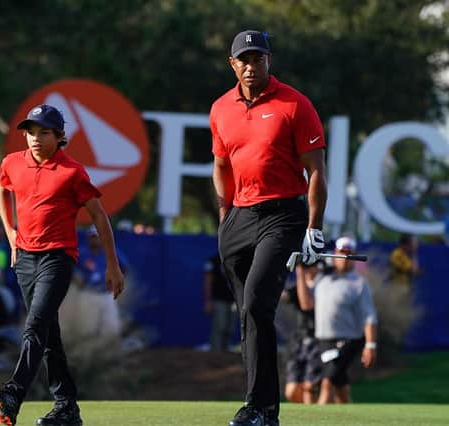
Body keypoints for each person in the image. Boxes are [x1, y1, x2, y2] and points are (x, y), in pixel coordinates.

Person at [0, 104, 124, 426]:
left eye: (43, 132)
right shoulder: (12, 163)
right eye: (30, 132)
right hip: (25, 260)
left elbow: (99, 216)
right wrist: (10, 231)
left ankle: (13, 395)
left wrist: (112, 266)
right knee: (48, 336)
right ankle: (66, 406)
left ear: (60, 137)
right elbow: (2, 190)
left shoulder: (72, 172)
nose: (35, 138)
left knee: (34, 328)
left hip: (57, 259)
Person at [210, 30, 327, 426]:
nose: (250, 64)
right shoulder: (221, 108)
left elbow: (316, 172)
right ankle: (262, 410)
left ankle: (259, 408)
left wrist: (314, 227)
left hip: (283, 214)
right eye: (243, 58)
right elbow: (222, 165)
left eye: (257, 57)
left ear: (268, 60)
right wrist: (225, 214)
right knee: (248, 314)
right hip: (239, 217)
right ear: (232, 64)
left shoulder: (295, 104)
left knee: (259, 302)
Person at [296, 236, 378, 404]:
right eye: (342, 253)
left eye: (349, 254)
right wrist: (301, 270)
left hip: (348, 340)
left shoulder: (358, 283)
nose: (345, 259)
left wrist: (370, 345)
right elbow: (306, 304)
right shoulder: (322, 278)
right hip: (323, 341)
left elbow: (369, 316)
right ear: (335, 254)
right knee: (340, 386)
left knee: (328, 382)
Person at [283, 263, 323, 404]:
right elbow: (283, 297)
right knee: (291, 391)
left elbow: (307, 304)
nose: (307, 268)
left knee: (309, 387)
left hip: (318, 341)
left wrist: (300, 273)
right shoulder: (297, 288)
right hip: (299, 341)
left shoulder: (323, 287)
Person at [203, 253, 237, 352]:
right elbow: (207, 281)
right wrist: (208, 300)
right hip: (219, 299)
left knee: (230, 328)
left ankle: (225, 352)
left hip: (233, 300)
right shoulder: (214, 260)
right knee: (220, 326)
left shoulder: (236, 259)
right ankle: (215, 352)